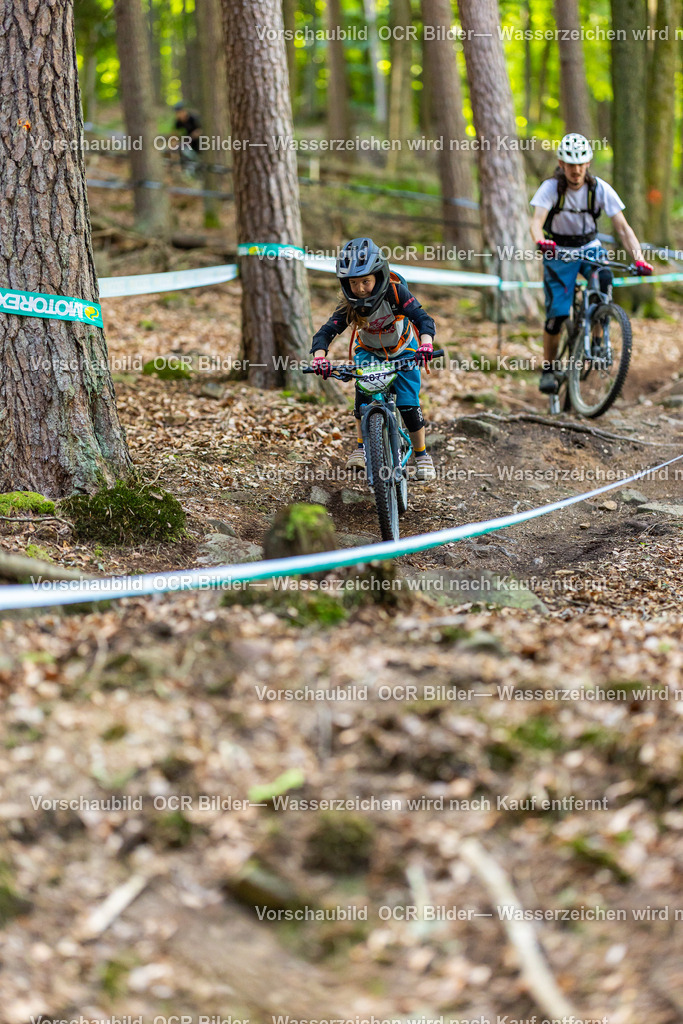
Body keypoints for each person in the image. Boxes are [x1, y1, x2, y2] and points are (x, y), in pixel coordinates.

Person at [529, 132, 653, 394]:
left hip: (589, 247)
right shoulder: (550, 188)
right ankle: (549, 369)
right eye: (570, 164)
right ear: (561, 164)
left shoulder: (600, 189)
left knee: (603, 281)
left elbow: (623, 227)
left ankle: (597, 341)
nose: (576, 170)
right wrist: (542, 242)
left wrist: (638, 259)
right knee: (557, 316)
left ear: (588, 163)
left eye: (581, 164)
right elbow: (536, 223)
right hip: (559, 251)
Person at [310, 237, 437, 481]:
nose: (359, 289)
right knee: (363, 397)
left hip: (404, 350)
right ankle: (361, 448)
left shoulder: (396, 292)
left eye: (365, 281)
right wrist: (319, 358)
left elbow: (423, 319)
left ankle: (422, 456)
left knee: (409, 404)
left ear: (379, 275)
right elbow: (326, 332)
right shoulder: (349, 304)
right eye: (353, 283)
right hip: (369, 352)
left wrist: (426, 344)